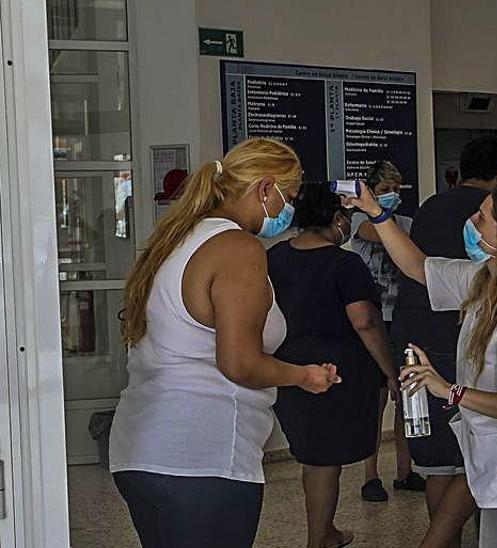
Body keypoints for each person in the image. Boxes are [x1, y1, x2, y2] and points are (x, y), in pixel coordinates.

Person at [111, 138, 340, 548]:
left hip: (140, 452)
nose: (289, 210)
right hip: (202, 454)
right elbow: (239, 362)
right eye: (287, 197)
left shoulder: (176, 239)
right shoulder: (237, 248)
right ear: (264, 188)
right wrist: (304, 376)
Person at [350, 182, 497, 548]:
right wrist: (377, 213)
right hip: (493, 454)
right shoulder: (486, 279)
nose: (471, 222)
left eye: (482, 218)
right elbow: (417, 267)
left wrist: (450, 390)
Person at [390, 135, 497, 547]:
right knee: (472, 462)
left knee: (440, 463)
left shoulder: (430, 208)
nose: (475, 222)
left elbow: (415, 266)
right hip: (460, 348)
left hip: (421, 339)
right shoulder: (492, 253)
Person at [267, 182, 400, 548]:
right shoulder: (345, 264)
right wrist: (390, 371)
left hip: (287, 369)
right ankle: (319, 539)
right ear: (338, 219)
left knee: (315, 458)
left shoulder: (275, 257)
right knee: (325, 461)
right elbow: (365, 322)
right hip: (335, 374)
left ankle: (325, 530)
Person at [349, 160, 424, 502]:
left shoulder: (407, 223)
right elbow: (379, 232)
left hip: (404, 317)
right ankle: (370, 476)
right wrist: (380, 214)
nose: (391, 196)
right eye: (383, 191)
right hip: (374, 320)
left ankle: (405, 471)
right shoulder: (360, 221)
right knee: (375, 400)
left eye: (396, 189)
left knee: (407, 397)